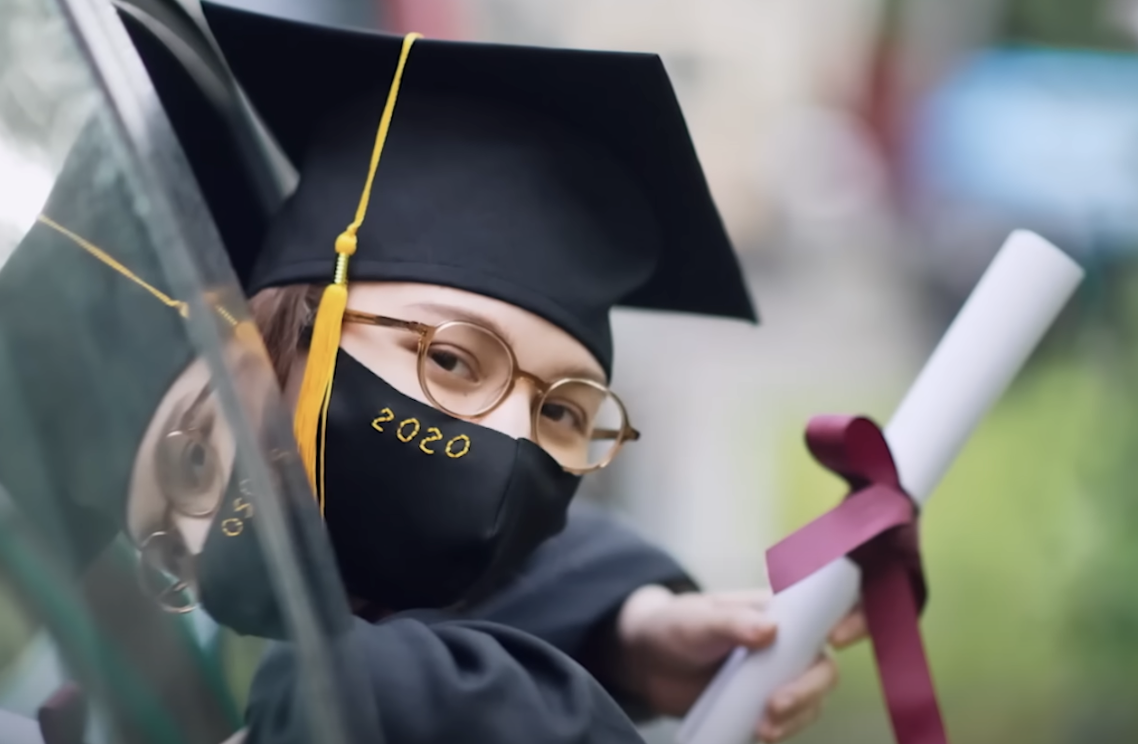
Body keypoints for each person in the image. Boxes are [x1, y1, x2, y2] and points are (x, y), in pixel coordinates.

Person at [119, 3, 868, 743]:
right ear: (294, 325)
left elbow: (535, 575)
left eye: (562, 415)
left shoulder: (329, 603)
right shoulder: (65, 452)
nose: (509, 443)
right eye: (450, 360)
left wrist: (630, 629)